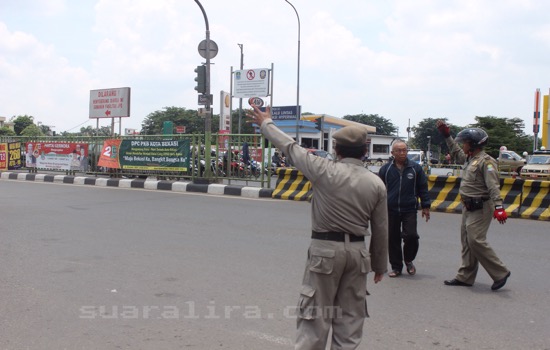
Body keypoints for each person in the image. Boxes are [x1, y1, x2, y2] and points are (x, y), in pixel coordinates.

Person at [247, 105, 388, 350]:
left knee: (315, 318)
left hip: (325, 252)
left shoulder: (324, 170)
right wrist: (379, 265)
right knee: (350, 322)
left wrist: (266, 122)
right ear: (364, 151)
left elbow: (290, 147)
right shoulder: (376, 182)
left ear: (336, 149)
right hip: (358, 255)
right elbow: (381, 228)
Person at [436, 120, 511, 291]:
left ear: (474, 144)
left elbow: (493, 186)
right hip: (468, 206)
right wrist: (447, 136)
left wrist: (499, 207)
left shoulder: (487, 162)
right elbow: (455, 151)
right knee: (467, 242)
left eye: (465, 142)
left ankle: (500, 272)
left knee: (475, 240)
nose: (463, 145)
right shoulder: (470, 159)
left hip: (482, 206)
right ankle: (465, 276)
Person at [378, 140, 431, 277]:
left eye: (404, 150)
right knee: (393, 238)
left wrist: (426, 206)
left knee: (411, 236)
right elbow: (379, 190)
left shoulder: (415, 168)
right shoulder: (386, 169)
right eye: (399, 150)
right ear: (392, 153)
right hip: (390, 209)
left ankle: (408, 259)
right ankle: (396, 267)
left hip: (409, 208)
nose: (402, 153)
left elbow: (423, 188)